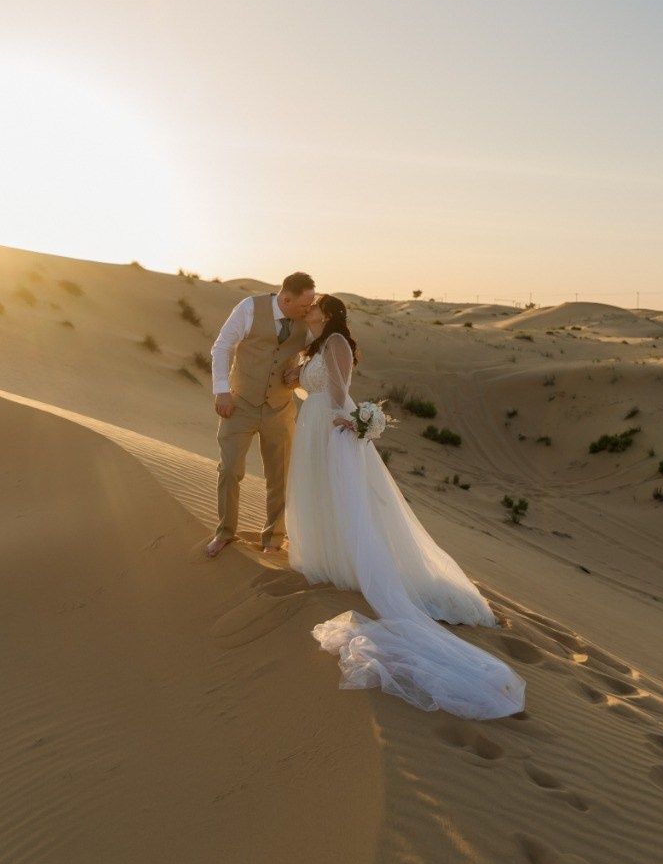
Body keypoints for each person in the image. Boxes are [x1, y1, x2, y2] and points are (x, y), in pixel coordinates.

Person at [285, 294, 525, 719]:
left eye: (315, 305)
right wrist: (296, 377)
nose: (309, 309)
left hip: (330, 425)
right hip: (313, 422)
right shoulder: (317, 343)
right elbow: (317, 385)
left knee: (348, 500)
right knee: (319, 494)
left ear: (329, 311)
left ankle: (368, 569)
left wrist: (349, 420)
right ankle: (330, 557)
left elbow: (339, 389)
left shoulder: (336, 341)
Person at [205, 272, 315, 558]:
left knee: (279, 476)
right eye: (304, 305)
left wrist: (302, 373)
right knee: (229, 470)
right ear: (286, 299)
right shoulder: (249, 308)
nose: (309, 309)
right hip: (239, 404)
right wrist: (221, 391)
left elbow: (320, 357)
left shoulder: (308, 319)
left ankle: (273, 539)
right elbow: (221, 347)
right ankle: (225, 533)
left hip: (280, 408)